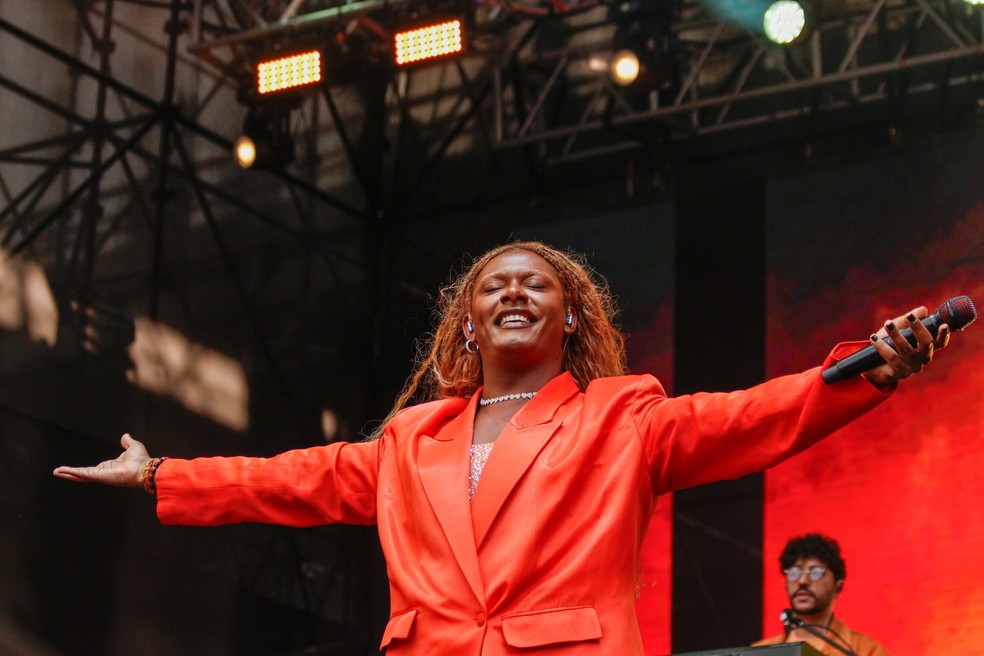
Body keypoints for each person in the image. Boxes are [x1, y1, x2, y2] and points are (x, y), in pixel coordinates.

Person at [53, 241, 948, 655]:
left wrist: (870, 368)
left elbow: (755, 415)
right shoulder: (413, 437)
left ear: (571, 318)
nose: (514, 293)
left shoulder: (622, 415)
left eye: (536, 285)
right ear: (469, 324)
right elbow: (292, 480)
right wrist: (160, 474)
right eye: (494, 287)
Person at [753, 533, 891, 656]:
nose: (802, 581)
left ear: (838, 585)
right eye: (794, 572)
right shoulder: (760, 652)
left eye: (815, 572)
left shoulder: (866, 651)